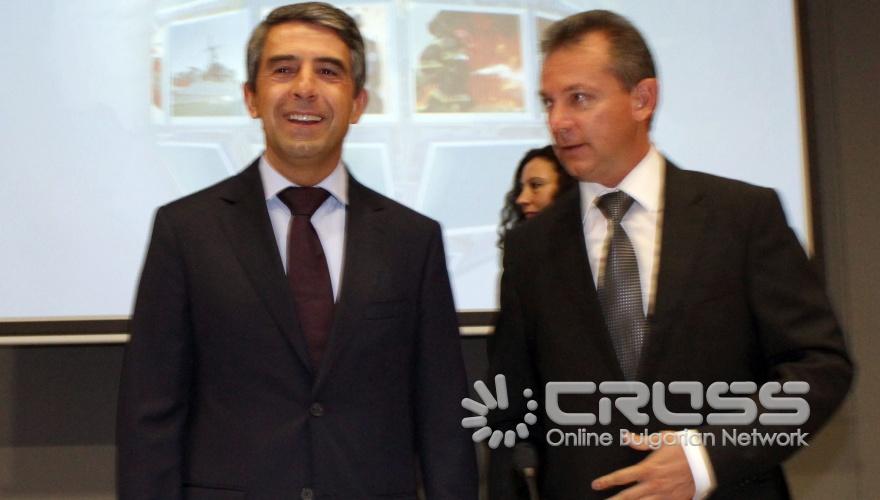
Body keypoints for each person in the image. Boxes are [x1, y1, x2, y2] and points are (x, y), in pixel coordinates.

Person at [116, 3, 477, 499]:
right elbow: (150, 416)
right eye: (283, 70)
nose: (305, 88)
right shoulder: (185, 231)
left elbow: (444, 419)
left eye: (328, 72)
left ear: (357, 103)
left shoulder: (412, 240)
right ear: (251, 97)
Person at [488, 9, 852, 500]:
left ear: (642, 99)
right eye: (549, 103)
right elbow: (510, 413)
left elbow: (819, 367)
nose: (558, 122)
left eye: (579, 98)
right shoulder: (530, 248)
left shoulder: (741, 217)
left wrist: (707, 459)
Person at [498, 145, 576, 248]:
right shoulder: (522, 249)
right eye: (521, 188)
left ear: (568, 188)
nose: (521, 199)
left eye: (535, 185)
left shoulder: (593, 247)